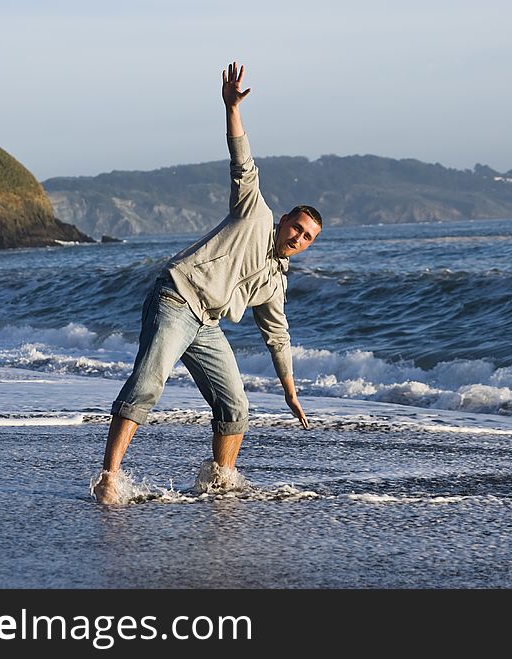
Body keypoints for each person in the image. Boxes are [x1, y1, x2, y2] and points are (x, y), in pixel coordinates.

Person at [92, 62, 322, 504]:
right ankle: (109, 478)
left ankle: (221, 481)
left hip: (206, 322)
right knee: (149, 383)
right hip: (177, 298)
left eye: (308, 238)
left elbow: (277, 335)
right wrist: (232, 108)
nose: (299, 238)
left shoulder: (276, 282)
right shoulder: (254, 212)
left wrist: (291, 392)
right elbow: (243, 161)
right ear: (285, 219)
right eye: (298, 227)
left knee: (236, 405)